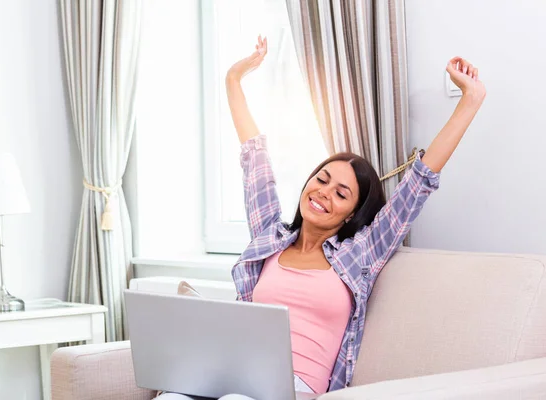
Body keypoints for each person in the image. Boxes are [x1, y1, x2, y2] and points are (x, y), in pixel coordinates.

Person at [157, 36, 485, 399]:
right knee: (171, 397)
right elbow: (255, 158)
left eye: (341, 193)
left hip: (296, 389)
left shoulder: (360, 253)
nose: (323, 193)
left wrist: (470, 99)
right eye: (321, 179)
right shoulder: (271, 238)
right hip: (236, 374)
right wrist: (233, 79)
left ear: (352, 214)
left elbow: (419, 181)